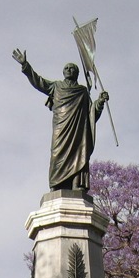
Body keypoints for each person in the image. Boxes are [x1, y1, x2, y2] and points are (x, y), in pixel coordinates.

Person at [12, 48, 109, 193]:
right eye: (66, 68)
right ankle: (57, 184)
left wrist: (100, 102)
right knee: (57, 155)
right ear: (63, 72)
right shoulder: (56, 86)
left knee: (79, 153)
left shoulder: (82, 91)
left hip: (78, 130)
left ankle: (77, 184)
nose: (69, 69)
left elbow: (91, 115)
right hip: (61, 128)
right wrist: (26, 65)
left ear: (77, 73)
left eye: (72, 68)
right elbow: (38, 81)